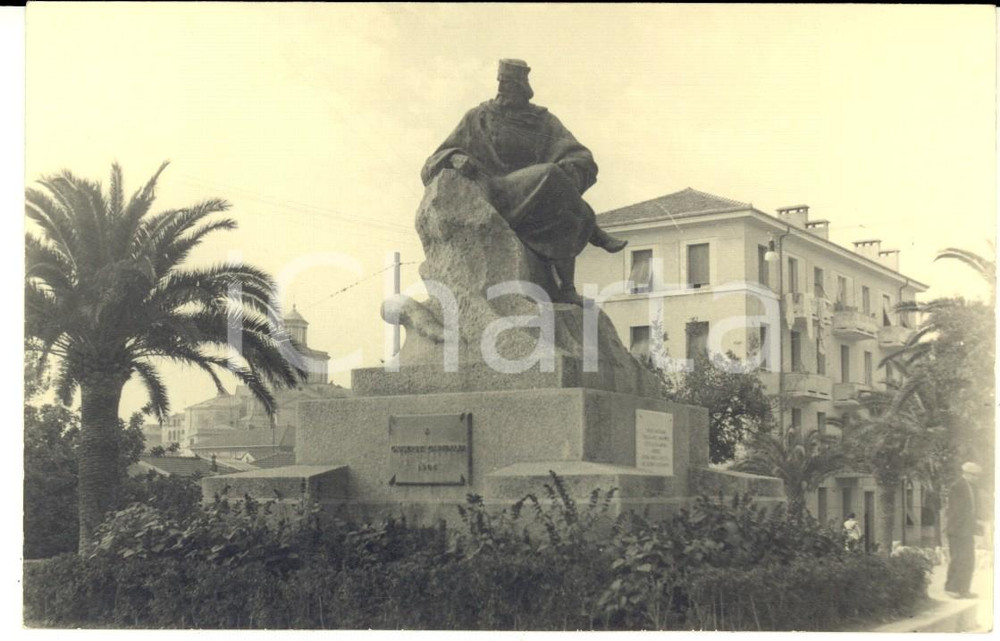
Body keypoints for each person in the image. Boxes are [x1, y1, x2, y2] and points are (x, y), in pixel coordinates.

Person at [421, 59, 628, 305]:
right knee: (551, 176)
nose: (502, 91)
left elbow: (578, 153)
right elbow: (433, 162)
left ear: (523, 88)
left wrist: (573, 166)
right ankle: (594, 232)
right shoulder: (479, 117)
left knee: (560, 200)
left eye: (508, 85)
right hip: (497, 192)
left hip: (536, 197)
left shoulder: (541, 120)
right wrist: (455, 158)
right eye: (500, 84)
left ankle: (567, 289)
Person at [944, 461, 982, 599]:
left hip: (967, 530)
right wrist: (958, 529)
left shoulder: (973, 488)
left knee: (968, 560)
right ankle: (952, 588)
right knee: (958, 558)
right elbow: (955, 511)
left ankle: (964, 589)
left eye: (977, 475)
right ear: (966, 474)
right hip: (957, 530)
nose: (976, 478)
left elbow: (974, 510)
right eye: (974, 475)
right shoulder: (957, 487)